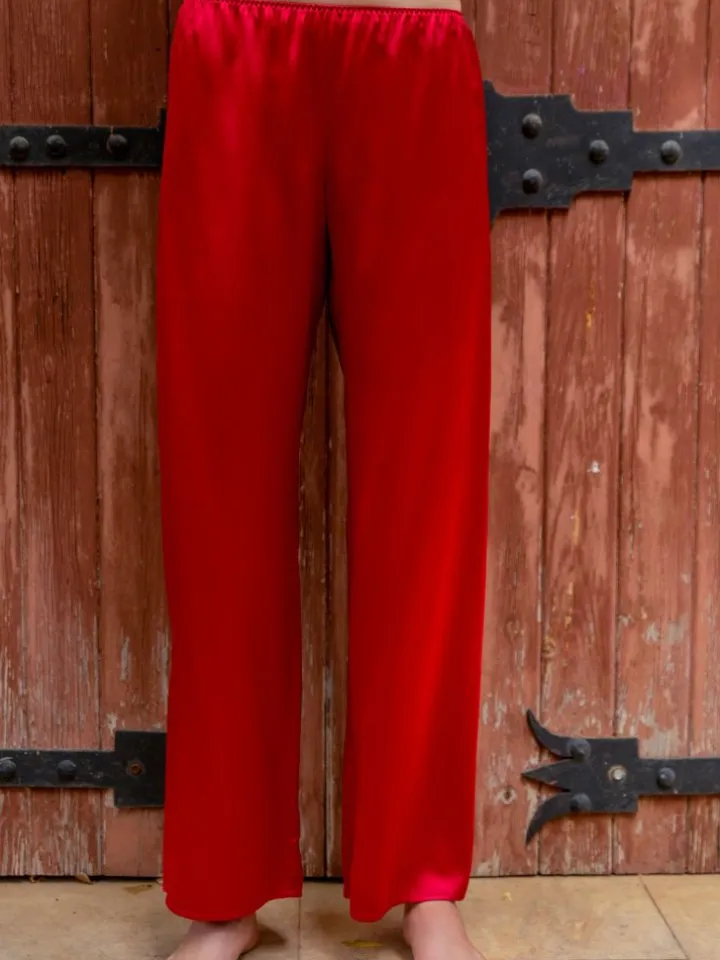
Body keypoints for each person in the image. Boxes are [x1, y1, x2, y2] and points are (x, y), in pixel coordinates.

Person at [155, 0, 491, 956]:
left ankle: (423, 874)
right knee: (219, 474)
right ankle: (225, 884)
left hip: (414, 43)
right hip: (236, 45)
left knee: (427, 474)